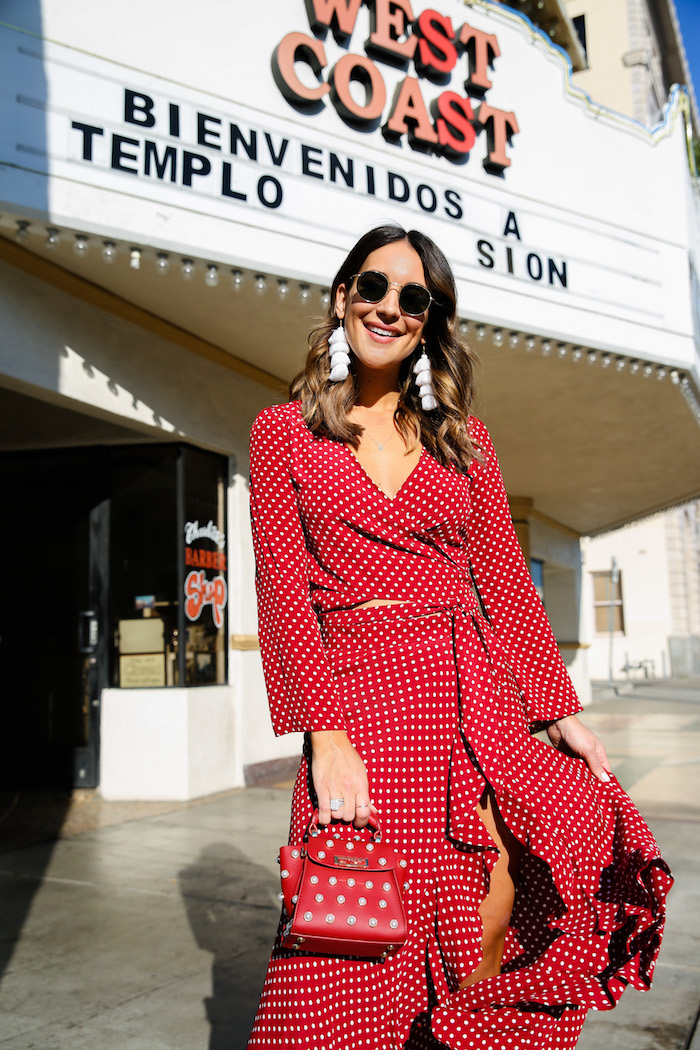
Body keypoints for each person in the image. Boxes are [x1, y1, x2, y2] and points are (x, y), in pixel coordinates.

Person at [246, 223, 672, 1050]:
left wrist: (557, 709)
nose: (390, 308)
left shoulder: (465, 440)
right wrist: (324, 738)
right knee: (356, 937)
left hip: (473, 701)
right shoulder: (282, 433)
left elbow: (506, 584)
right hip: (362, 706)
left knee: (491, 914)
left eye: (416, 299)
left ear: (429, 321)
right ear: (342, 297)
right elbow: (285, 597)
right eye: (374, 287)